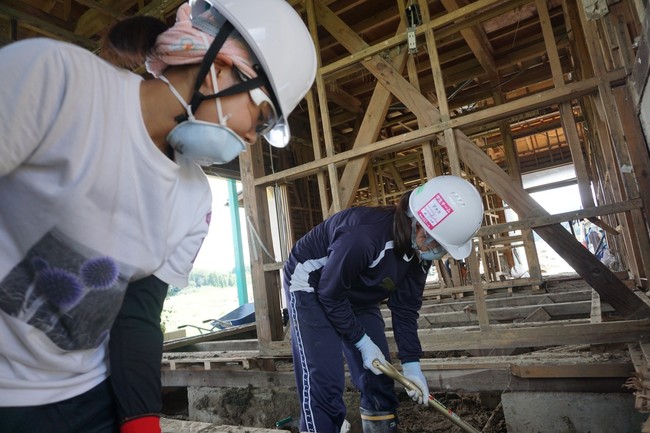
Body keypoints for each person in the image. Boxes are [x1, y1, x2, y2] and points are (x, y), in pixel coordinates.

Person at [0, 0, 316, 432]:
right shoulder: (58, 80)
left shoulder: (195, 200)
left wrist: (141, 418)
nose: (250, 138)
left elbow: (136, 314)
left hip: (89, 400)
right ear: (216, 68)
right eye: (259, 118)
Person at [283, 175, 484, 433]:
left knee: (379, 373)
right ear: (419, 225)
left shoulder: (419, 251)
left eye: (443, 248)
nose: (439, 252)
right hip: (312, 284)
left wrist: (412, 364)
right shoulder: (364, 237)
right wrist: (362, 342)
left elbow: (406, 308)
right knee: (324, 378)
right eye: (438, 244)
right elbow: (330, 294)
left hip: (356, 290)